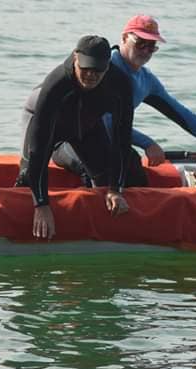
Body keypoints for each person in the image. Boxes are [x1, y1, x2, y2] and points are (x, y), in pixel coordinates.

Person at [54, 15, 196, 182]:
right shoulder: (103, 68)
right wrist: (148, 143)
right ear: (124, 38)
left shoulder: (146, 80)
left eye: (151, 46)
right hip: (67, 140)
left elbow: (180, 114)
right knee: (98, 163)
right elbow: (107, 122)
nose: (145, 51)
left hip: (109, 142)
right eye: (141, 43)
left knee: (135, 172)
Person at [16, 35, 135, 240]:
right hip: (46, 127)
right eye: (86, 68)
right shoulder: (57, 84)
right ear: (75, 58)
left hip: (86, 128)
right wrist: (42, 204)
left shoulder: (120, 84)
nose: (91, 75)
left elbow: (121, 139)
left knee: (108, 177)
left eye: (98, 70)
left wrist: (115, 190)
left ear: (108, 66)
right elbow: (38, 147)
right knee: (29, 177)